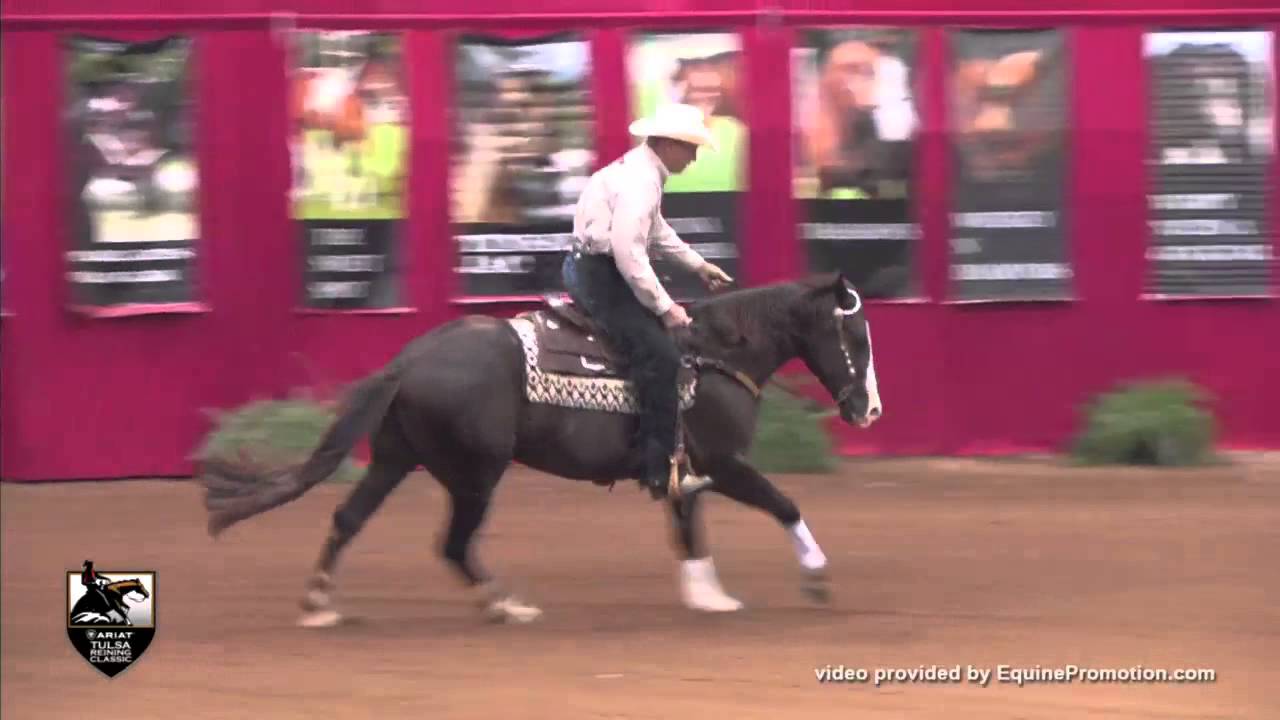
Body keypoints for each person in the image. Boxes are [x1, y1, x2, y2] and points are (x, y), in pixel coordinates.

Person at [561, 102, 733, 499]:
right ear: (669, 144)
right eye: (690, 148)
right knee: (662, 357)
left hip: (590, 266)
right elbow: (629, 254)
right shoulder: (641, 182)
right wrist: (666, 308)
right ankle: (659, 472)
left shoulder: (641, 173)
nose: (693, 157)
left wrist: (698, 265)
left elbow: (657, 230)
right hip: (599, 275)